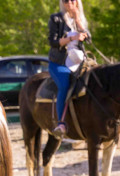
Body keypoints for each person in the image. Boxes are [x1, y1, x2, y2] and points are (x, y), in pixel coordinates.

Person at [48, 0, 89, 137]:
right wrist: (73, 38)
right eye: (65, 0)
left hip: (80, 61)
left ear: (77, 2)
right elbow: (53, 42)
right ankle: (61, 123)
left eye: (72, 0)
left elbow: (88, 40)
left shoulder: (81, 19)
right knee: (65, 85)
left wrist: (78, 20)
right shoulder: (56, 18)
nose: (69, 3)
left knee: (98, 77)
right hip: (59, 63)